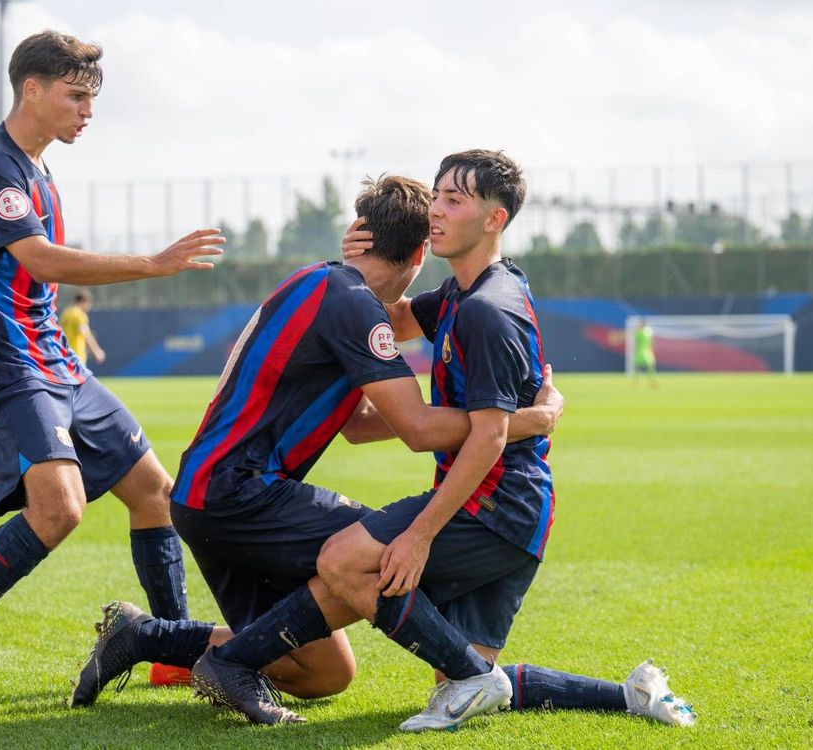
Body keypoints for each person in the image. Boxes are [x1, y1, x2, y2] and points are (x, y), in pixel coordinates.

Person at [186, 151, 695, 731]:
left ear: (494, 219)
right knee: (460, 674)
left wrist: (420, 535)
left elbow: (487, 438)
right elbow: (392, 318)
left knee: (347, 561)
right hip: (510, 510)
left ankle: (229, 661)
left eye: (454, 200)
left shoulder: (488, 311)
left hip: (493, 507)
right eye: (437, 197)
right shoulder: (461, 294)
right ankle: (633, 697)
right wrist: (359, 266)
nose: (437, 210)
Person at [66, 175, 563, 720]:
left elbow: (360, 425)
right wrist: (525, 421)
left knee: (324, 672)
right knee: (382, 555)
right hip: (240, 492)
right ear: (420, 252)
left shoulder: (320, 282)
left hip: (206, 496)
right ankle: (474, 676)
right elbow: (419, 430)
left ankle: (145, 636)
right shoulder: (354, 305)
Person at [0, 29, 225, 715]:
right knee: (59, 509)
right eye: (76, 96)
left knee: (155, 492)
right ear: (32, 89)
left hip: (56, 360)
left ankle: (171, 652)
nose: (88, 111)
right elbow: (42, 260)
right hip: (8, 362)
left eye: (91, 99)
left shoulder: (39, 170)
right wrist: (153, 263)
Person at [59, 290, 105, 365]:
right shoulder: (79, 314)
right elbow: (86, 334)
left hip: (63, 355)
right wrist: (97, 351)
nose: (89, 306)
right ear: (83, 302)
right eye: (89, 303)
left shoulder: (65, 313)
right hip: (76, 356)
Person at [633, 317, 658, 387]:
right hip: (645, 351)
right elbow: (650, 342)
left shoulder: (639, 332)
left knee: (639, 366)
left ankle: (637, 381)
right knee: (649, 366)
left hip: (642, 351)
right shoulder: (648, 331)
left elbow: (637, 342)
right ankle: (651, 381)